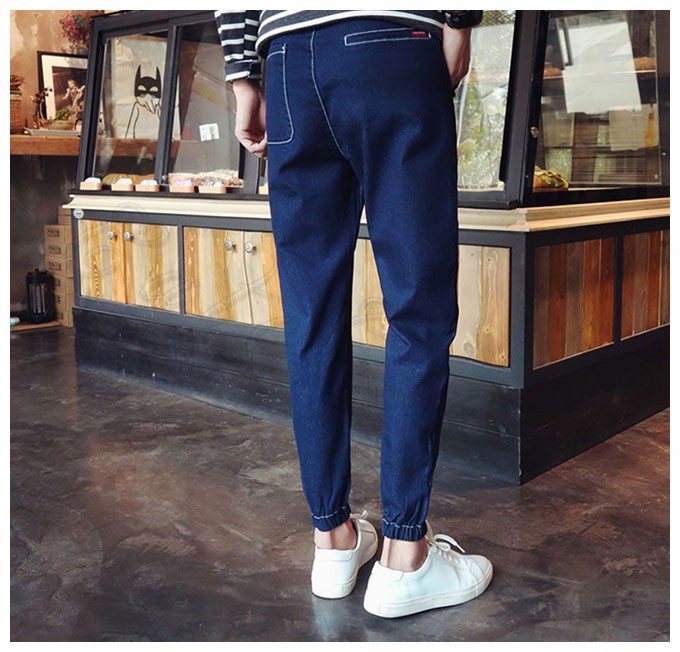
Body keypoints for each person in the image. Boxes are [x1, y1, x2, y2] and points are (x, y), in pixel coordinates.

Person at [215, 9, 493, 618]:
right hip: (390, 41)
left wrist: (242, 78)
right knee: (417, 313)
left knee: (311, 315)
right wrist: (459, 21)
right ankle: (404, 555)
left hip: (286, 61)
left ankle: (332, 539)